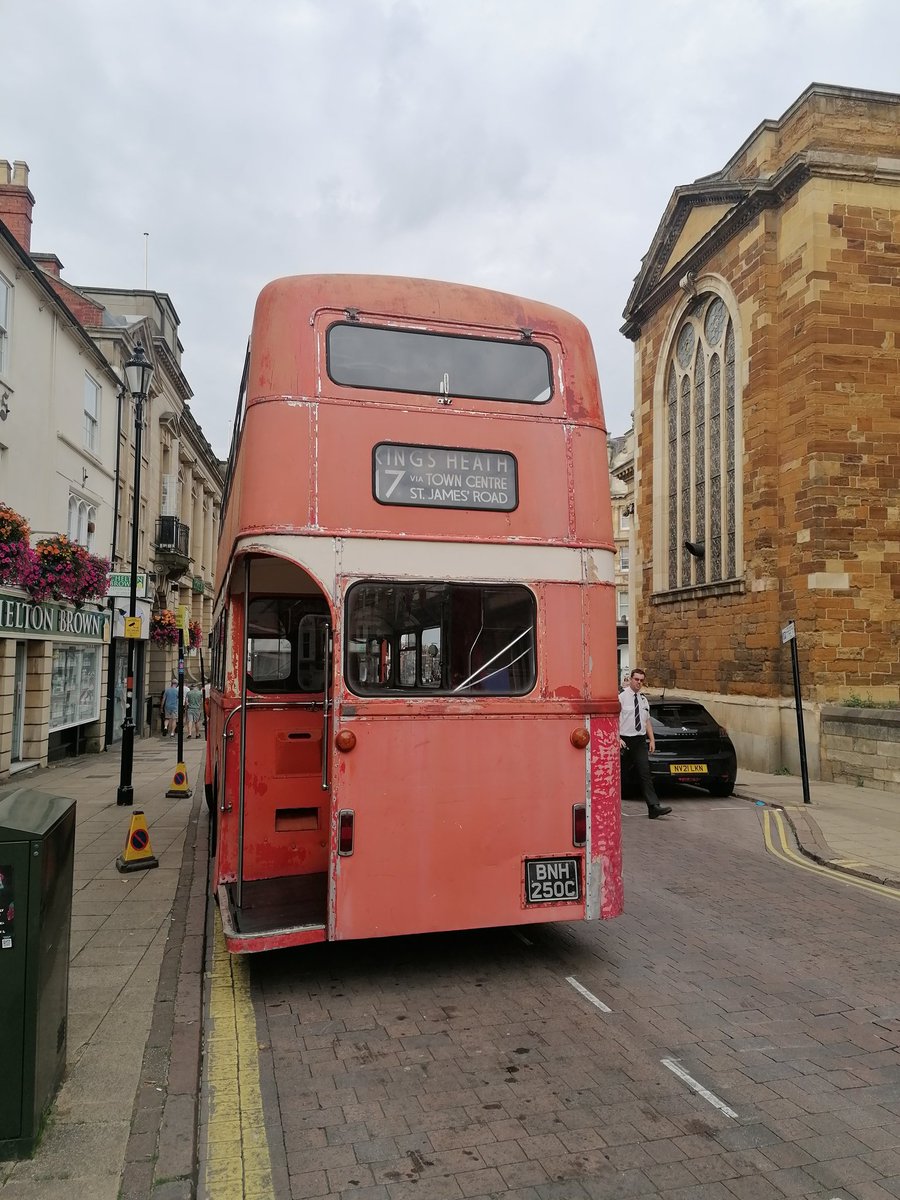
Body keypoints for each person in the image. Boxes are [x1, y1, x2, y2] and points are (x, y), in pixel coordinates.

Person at [619, 668, 671, 819]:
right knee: (620, 774)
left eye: (641, 680)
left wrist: (652, 740)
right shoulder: (621, 697)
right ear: (630, 679)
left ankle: (654, 807)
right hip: (624, 740)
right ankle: (609, 806)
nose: (639, 683)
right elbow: (613, 719)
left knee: (644, 773)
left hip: (639, 740)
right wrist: (617, 738)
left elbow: (646, 721)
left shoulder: (643, 699)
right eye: (636, 680)